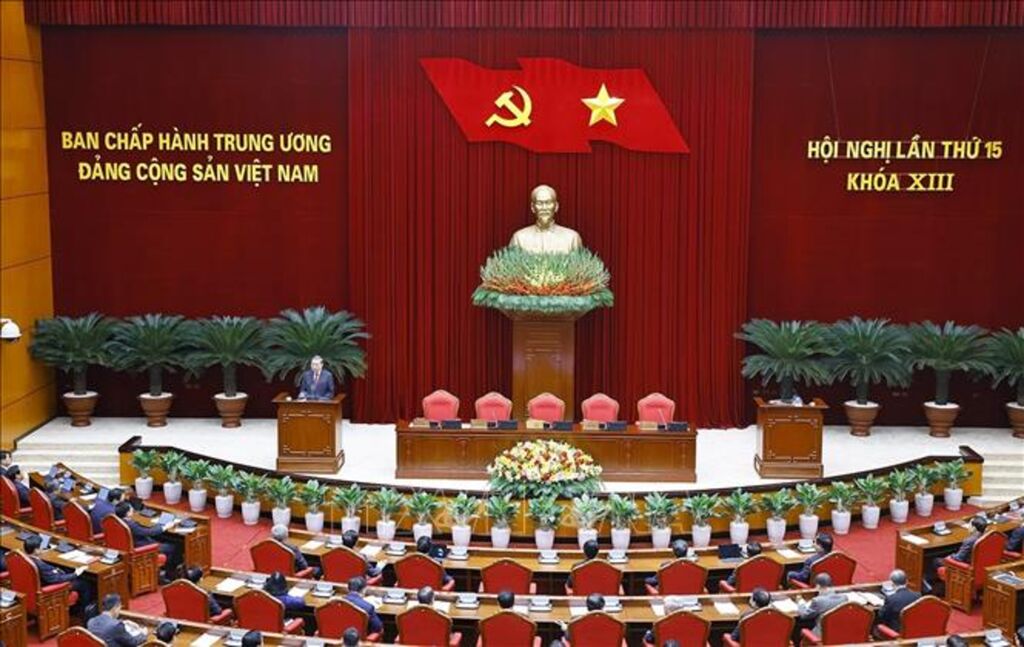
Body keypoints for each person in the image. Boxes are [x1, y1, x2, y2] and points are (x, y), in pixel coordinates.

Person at [23, 534, 94, 612]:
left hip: (39, 584)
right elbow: (56, 579)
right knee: (84, 584)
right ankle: (83, 611)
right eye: (41, 547)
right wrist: (76, 573)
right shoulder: (40, 565)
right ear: (36, 550)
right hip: (53, 587)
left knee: (67, 569)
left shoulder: (25, 559)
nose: (43, 548)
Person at [509, 184, 583, 254]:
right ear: (533, 207)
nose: (544, 208)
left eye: (548, 203)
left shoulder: (572, 238)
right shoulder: (519, 238)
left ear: (556, 206)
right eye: (539, 203)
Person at [114, 501, 180, 576]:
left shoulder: (117, 521)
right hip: (143, 547)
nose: (132, 509)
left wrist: (157, 526)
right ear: (128, 513)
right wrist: (164, 527)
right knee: (174, 547)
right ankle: (169, 574)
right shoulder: (131, 525)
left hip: (132, 546)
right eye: (131, 508)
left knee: (163, 540)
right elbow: (148, 532)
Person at [926, 516, 987, 594]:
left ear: (974, 528)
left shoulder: (970, 541)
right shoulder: (985, 538)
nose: (968, 527)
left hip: (965, 567)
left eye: (969, 525)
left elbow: (958, 558)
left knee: (936, 560)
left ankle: (942, 588)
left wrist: (950, 556)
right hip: (979, 568)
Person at [875, 569, 921, 634]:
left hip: (897, 633)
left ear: (892, 583)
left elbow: (882, 616)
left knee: (875, 627)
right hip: (915, 630)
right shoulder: (918, 596)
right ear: (906, 581)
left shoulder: (891, 599)